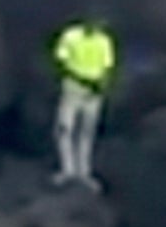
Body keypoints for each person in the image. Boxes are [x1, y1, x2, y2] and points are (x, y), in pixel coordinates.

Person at [50, 17, 117, 189]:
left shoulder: (103, 40)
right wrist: (83, 80)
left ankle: (83, 173)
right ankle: (68, 171)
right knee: (65, 129)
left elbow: (107, 66)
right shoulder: (72, 36)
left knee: (86, 132)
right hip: (74, 87)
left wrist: (101, 86)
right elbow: (61, 61)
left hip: (94, 91)